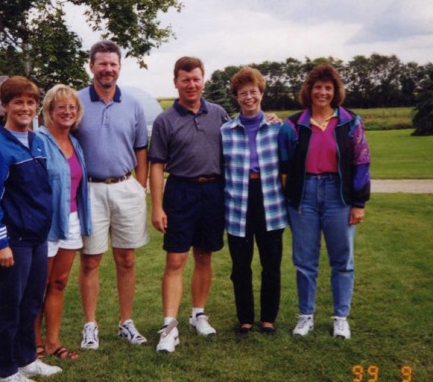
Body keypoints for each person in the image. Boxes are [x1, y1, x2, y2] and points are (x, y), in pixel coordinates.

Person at [0, 76, 62, 382]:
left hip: (36, 238)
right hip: (11, 242)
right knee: (9, 306)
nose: (25, 108)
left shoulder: (37, 142)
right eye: (18, 102)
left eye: (30, 102)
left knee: (31, 302)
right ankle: (6, 371)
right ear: (5, 106)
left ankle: (27, 359)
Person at [278, 63, 371, 339]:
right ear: (309, 90)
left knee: (342, 260)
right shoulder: (293, 125)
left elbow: (361, 162)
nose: (322, 92)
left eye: (328, 88)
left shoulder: (350, 122)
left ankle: (341, 318)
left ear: (335, 91)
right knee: (304, 260)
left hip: (338, 197)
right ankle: (305, 316)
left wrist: (359, 203)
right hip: (303, 197)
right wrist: (289, 197)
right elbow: (284, 165)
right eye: (317, 87)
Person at [149, 56, 230, 353]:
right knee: (175, 260)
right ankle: (169, 326)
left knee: (204, 256)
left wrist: (269, 119)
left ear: (203, 80)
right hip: (180, 191)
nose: (191, 84)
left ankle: (198, 314)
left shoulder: (219, 114)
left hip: (213, 191)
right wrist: (157, 207)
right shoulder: (165, 120)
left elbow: (242, 138)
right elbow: (157, 165)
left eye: (196, 79)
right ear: (176, 82)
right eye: (185, 80)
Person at [73, 40, 149, 350]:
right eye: (102, 63)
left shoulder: (133, 104)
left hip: (126, 188)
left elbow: (141, 149)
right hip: (89, 190)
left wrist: (139, 185)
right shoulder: (76, 101)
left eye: (113, 64)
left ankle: (125, 322)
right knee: (90, 260)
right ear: (91, 66)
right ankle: (90, 325)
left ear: (119, 67)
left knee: (127, 259)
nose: (108, 69)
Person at [221, 67, 288, 335]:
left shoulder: (277, 128)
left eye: (253, 92)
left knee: (271, 264)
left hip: (270, 200)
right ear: (236, 97)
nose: (248, 97)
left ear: (261, 93)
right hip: (238, 201)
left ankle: (268, 318)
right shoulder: (226, 131)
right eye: (242, 93)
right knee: (240, 266)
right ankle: (246, 318)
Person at [34, 84, 91, 361]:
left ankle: (53, 342)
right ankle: (34, 342)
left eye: (72, 107)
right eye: (61, 107)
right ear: (49, 110)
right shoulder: (38, 141)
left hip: (72, 221)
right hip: (46, 224)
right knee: (38, 284)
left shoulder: (74, 143)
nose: (67, 112)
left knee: (58, 283)